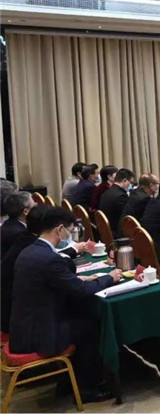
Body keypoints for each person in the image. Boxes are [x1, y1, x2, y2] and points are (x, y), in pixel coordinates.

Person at [9, 206, 122, 403]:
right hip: (39, 333)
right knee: (91, 328)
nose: (69, 235)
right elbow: (80, 291)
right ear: (59, 229)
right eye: (69, 230)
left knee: (83, 317)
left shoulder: (30, 250)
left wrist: (81, 280)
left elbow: (56, 282)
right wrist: (110, 278)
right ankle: (86, 389)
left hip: (25, 324)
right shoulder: (50, 259)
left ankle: (69, 381)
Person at [1, 196, 38, 333]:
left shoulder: (9, 225)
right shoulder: (19, 234)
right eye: (34, 203)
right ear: (26, 211)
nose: (37, 204)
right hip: (14, 300)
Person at [97, 168, 134, 238]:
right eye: (130, 182)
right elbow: (126, 217)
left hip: (106, 231)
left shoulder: (106, 192)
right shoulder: (121, 196)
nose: (131, 185)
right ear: (124, 181)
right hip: (117, 233)